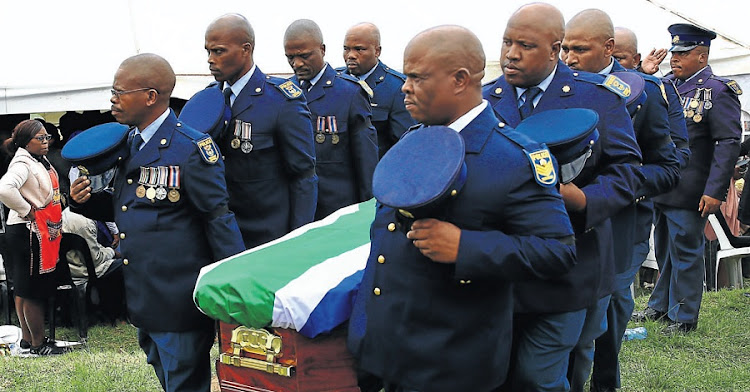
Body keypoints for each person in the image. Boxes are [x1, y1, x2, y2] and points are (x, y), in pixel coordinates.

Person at [348, 24, 577, 392]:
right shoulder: (416, 138)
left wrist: (465, 247)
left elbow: (557, 251)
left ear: (459, 79)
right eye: (406, 77)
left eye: (418, 78)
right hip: (386, 351)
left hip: (451, 360)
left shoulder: (512, 158)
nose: (405, 87)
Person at [482, 3, 644, 391]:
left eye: (525, 45)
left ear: (555, 50)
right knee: (501, 373)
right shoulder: (485, 100)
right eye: (507, 42)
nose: (511, 54)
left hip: (572, 262)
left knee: (545, 374)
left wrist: (585, 200)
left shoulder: (597, 97)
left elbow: (628, 171)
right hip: (505, 265)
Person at [69, 53, 245, 391]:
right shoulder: (129, 143)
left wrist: (233, 286)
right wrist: (88, 202)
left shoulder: (191, 148)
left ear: (151, 96)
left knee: (184, 381)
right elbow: (131, 208)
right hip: (143, 294)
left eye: (120, 91)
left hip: (178, 296)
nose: (112, 99)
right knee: (166, 376)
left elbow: (218, 219)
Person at [561, 10, 680, 391]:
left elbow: (668, 166)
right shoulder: (558, 88)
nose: (569, 58)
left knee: (611, 307)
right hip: (567, 221)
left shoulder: (643, 93)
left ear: (608, 47)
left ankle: (605, 383)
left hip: (622, 221)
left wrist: (618, 183)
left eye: (579, 49)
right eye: (564, 48)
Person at [634, 23, 742, 334]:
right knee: (666, 249)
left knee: (686, 251)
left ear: (702, 56)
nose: (675, 58)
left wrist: (716, 190)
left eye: (684, 53)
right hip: (664, 185)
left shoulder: (718, 91)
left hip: (694, 189)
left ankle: (683, 316)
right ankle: (659, 306)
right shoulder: (665, 85)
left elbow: (727, 143)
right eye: (675, 52)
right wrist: (646, 74)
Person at [204, 14, 318, 249]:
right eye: (208, 52)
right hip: (222, 236)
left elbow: (303, 176)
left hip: (267, 235)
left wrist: (297, 240)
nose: (210, 60)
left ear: (245, 49)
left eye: (219, 51)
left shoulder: (280, 101)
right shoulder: (208, 100)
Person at [283, 19, 379, 220]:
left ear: (322, 49)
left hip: (337, 211)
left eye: (304, 56)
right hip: (294, 209)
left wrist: (368, 213)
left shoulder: (349, 93)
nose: (297, 63)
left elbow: (366, 163)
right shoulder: (284, 94)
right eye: (290, 57)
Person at [0, 119, 66, 356]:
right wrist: (27, 210)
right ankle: (39, 344)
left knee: (23, 287)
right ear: (26, 142)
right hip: (27, 231)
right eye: (40, 138)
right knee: (32, 289)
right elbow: (4, 188)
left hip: (28, 230)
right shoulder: (22, 163)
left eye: (47, 137)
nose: (46, 142)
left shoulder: (35, 158)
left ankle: (28, 339)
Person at [338, 22, 415, 158]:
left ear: (377, 51)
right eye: (346, 49)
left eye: (359, 49)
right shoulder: (335, 81)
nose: (351, 55)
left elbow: (405, 145)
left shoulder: (397, 88)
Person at [60, 206, 122, 285]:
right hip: (83, 272)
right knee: (126, 266)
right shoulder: (85, 222)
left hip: (72, 265)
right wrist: (112, 252)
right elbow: (96, 260)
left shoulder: (68, 211)